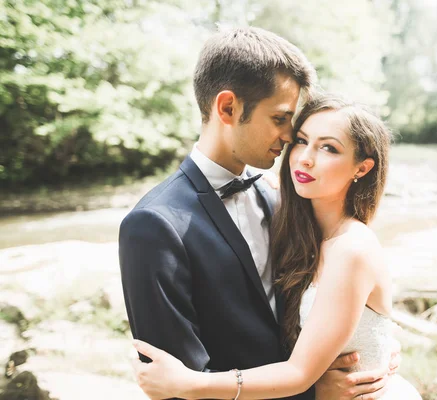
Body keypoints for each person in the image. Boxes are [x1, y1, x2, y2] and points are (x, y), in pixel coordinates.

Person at [119, 27, 398, 400]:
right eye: (281, 120)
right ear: (228, 108)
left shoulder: (282, 198)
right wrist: (312, 394)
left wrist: (376, 346)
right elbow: (175, 384)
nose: (289, 138)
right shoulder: (154, 225)